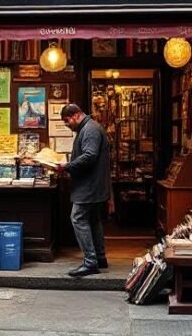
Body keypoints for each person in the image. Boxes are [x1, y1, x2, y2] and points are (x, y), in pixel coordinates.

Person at [56, 104, 112, 277]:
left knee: (78, 218)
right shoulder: (90, 128)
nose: (67, 125)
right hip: (93, 184)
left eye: (67, 121)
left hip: (89, 186)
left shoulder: (89, 129)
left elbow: (90, 155)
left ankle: (90, 262)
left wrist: (67, 166)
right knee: (93, 220)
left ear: (76, 115)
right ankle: (99, 257)